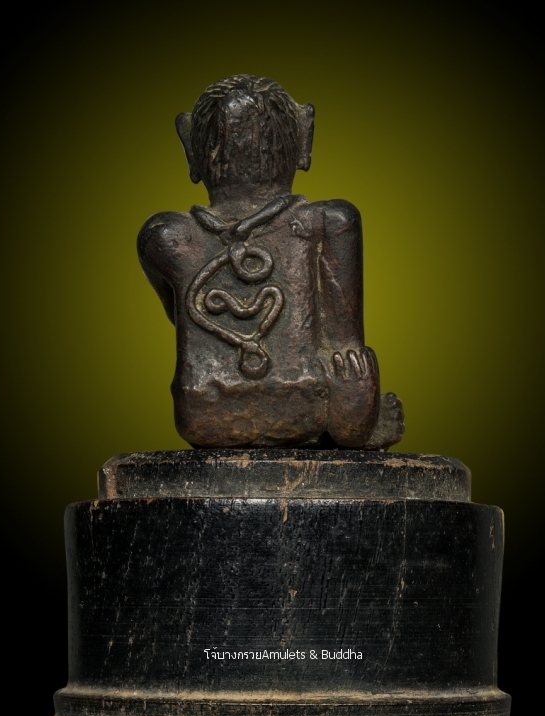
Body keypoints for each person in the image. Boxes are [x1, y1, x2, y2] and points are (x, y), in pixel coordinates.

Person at [138, 74, 404, 448]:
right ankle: (354, 422)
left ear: (191, 149)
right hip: (310, 406)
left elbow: (179, 314)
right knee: (349, 369)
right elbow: (343, 342)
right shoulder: (330, 221)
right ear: (304, 141)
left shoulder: (164, 235)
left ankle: (349, 417)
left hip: (204, 414)